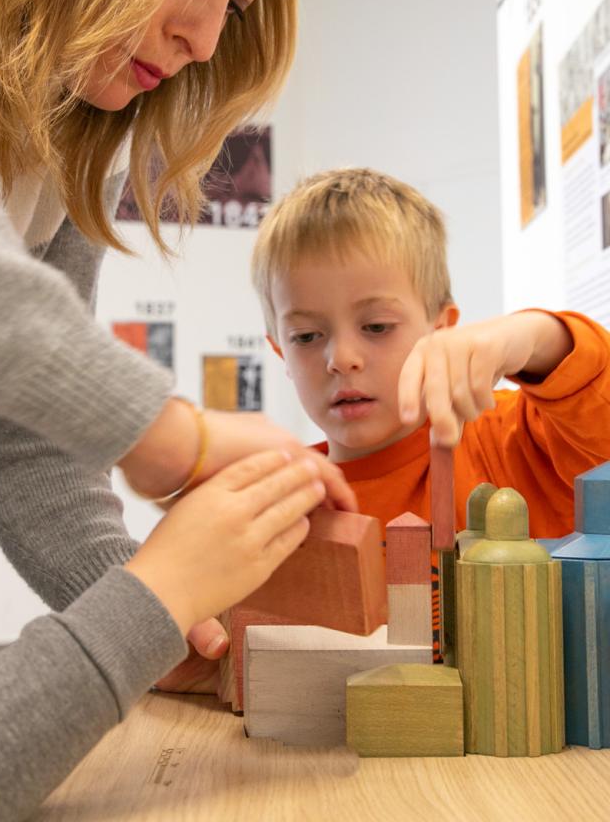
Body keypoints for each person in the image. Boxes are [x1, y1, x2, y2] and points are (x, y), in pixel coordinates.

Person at [0, 0, 357, 818]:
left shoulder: (59, 134)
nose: (200, 35)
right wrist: (170, 442)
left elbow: (24, 434)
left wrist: (161, 619)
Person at [251, 166, 610, 649]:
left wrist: (528, 335)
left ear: (443, 328)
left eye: (376, 326)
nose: (342, 359)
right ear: (280, 353)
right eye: (307, 337)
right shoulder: (276, 508)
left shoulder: (509, 438)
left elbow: (595, 402)